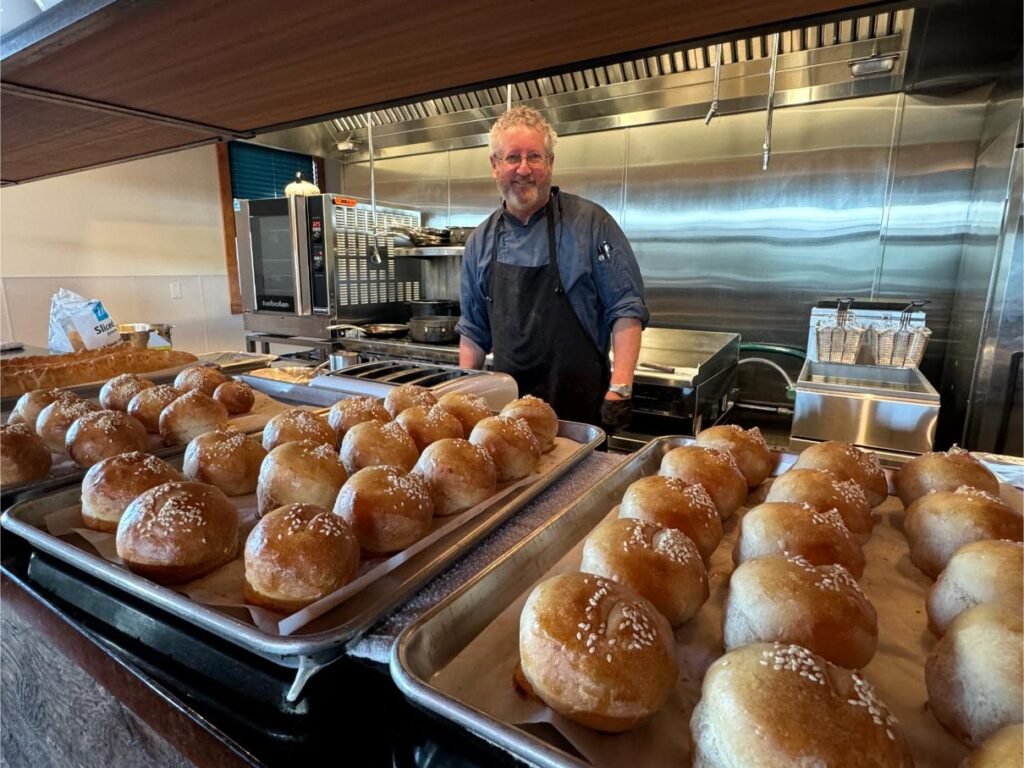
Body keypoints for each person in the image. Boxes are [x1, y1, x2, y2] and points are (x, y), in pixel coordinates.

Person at [456, 106, 648, 430]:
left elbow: (625, 309)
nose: (524, 169)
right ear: (494, 166)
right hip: (508, 423)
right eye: (512, 158)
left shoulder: (591, 223)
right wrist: (462, 399)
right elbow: (474, 332)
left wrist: (621, 389)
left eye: (535, 157)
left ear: (550, 163)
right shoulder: (480, 242)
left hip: (579, 416)